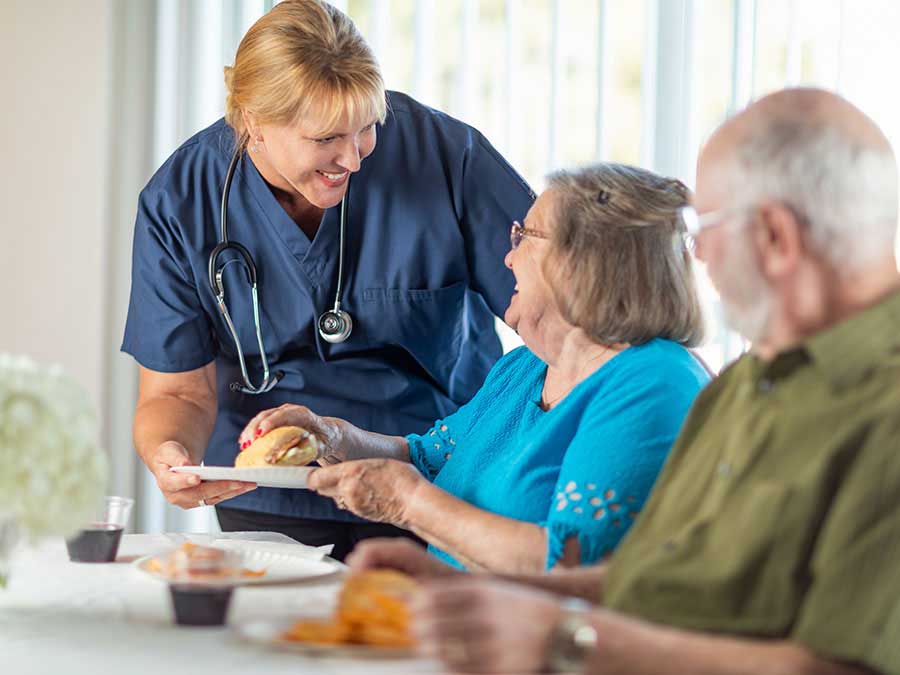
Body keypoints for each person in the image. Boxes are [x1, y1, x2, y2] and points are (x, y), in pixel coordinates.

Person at [348, 88, 900, 675]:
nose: (697, 254)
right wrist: (494, 595)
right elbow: (653, 583)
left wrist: (565, 639)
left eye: (705, 226)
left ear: (774, 236)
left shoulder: (882, 411)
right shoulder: (748, 384)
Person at [121, 0, 534, 560]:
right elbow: (176, 391)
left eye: (367, 128)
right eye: (326, 139)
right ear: (251, 124)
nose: (354, 158)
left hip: (436, 474)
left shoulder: (446, 158)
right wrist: (171, 455)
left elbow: (555, 313)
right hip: (270, 492)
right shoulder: (181, 199)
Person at [238, 163, 710, 573]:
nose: (507, 256)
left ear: (583, 263)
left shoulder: (654, 381)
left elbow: (571, 565)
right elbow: (426, 459)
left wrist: (408, 504)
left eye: (525, 236)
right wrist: (331, 437)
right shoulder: (524, 367)